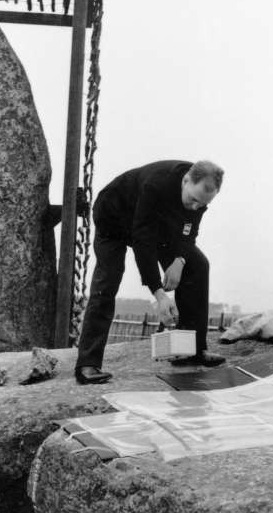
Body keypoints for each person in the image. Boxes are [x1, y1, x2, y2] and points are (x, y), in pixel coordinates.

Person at [75, 160, 226, 385]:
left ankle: (193, 350)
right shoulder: (156, 185)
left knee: (198, 265)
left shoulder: (198, 196)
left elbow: (189, 232)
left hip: (157, 223)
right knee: (108, 280)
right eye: (193, 200)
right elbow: (142, 241)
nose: (195, 207)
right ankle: (88, 363)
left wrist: (180, 261)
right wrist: (159, 294)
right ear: (186, 180)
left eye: (201, 204)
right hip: (115, 217)